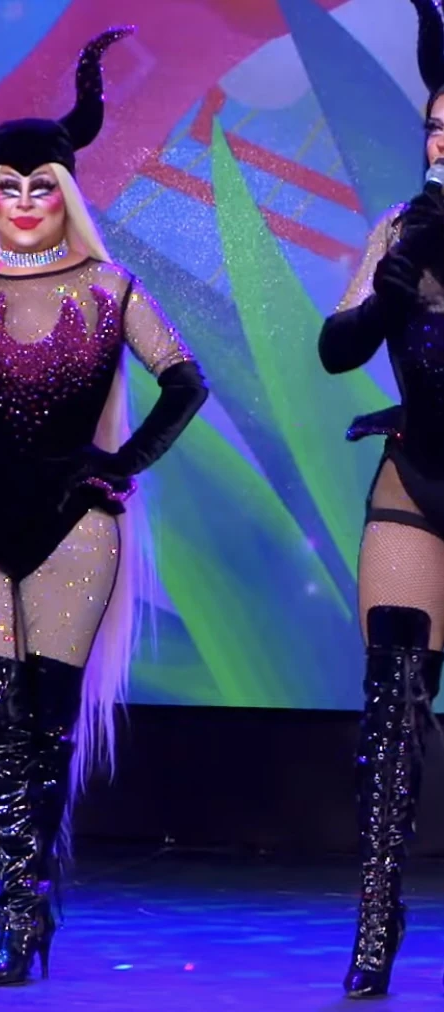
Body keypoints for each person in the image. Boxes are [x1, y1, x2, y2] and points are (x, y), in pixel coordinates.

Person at [0, 26, 208, 988]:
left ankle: (28, 906)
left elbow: (185, 383)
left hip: (73, 522)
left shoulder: (110, 289)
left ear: (66, 192)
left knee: (48, 727)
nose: (23, 203)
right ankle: (13, 918)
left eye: (40, 187)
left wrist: (117, 464)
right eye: (8, 188)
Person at [318, 0, 444, 998]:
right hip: (416, 478)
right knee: (392, 709)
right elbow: (335, 347)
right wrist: (392, 281)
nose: (441, 141)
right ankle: (375, 917)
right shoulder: (399, 230)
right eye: (434, 127)